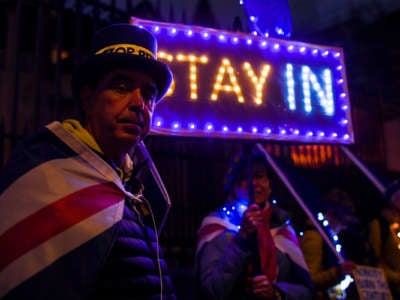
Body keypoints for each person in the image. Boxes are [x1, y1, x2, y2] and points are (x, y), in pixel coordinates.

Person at [0, 23, 176, 300]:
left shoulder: (133, 188)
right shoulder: (48, 178)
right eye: (121, 87)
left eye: (149, 94)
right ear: (88, 96)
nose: (138, 103)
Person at [195, 145, 314, 300]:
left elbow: (306, 291)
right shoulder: (217, 227)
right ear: (233, 186)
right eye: (245, 178)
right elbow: (211, 291)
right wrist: (241, 239)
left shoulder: (283, 229)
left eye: (259, 176)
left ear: (269, 184)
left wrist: (276, 292)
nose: (254, 183)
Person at [300, 188, 376, 300]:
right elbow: (309, 279)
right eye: (342, 220)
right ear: (331, 214)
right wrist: (338, 271)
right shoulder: (315, 237)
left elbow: (332, 288)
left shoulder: (329, 236)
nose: (344, 226)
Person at [367, 180, 400, 299]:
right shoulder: (379, 225)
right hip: (390, 290)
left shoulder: (395, 224)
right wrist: (396, 277)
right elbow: (374, 263)